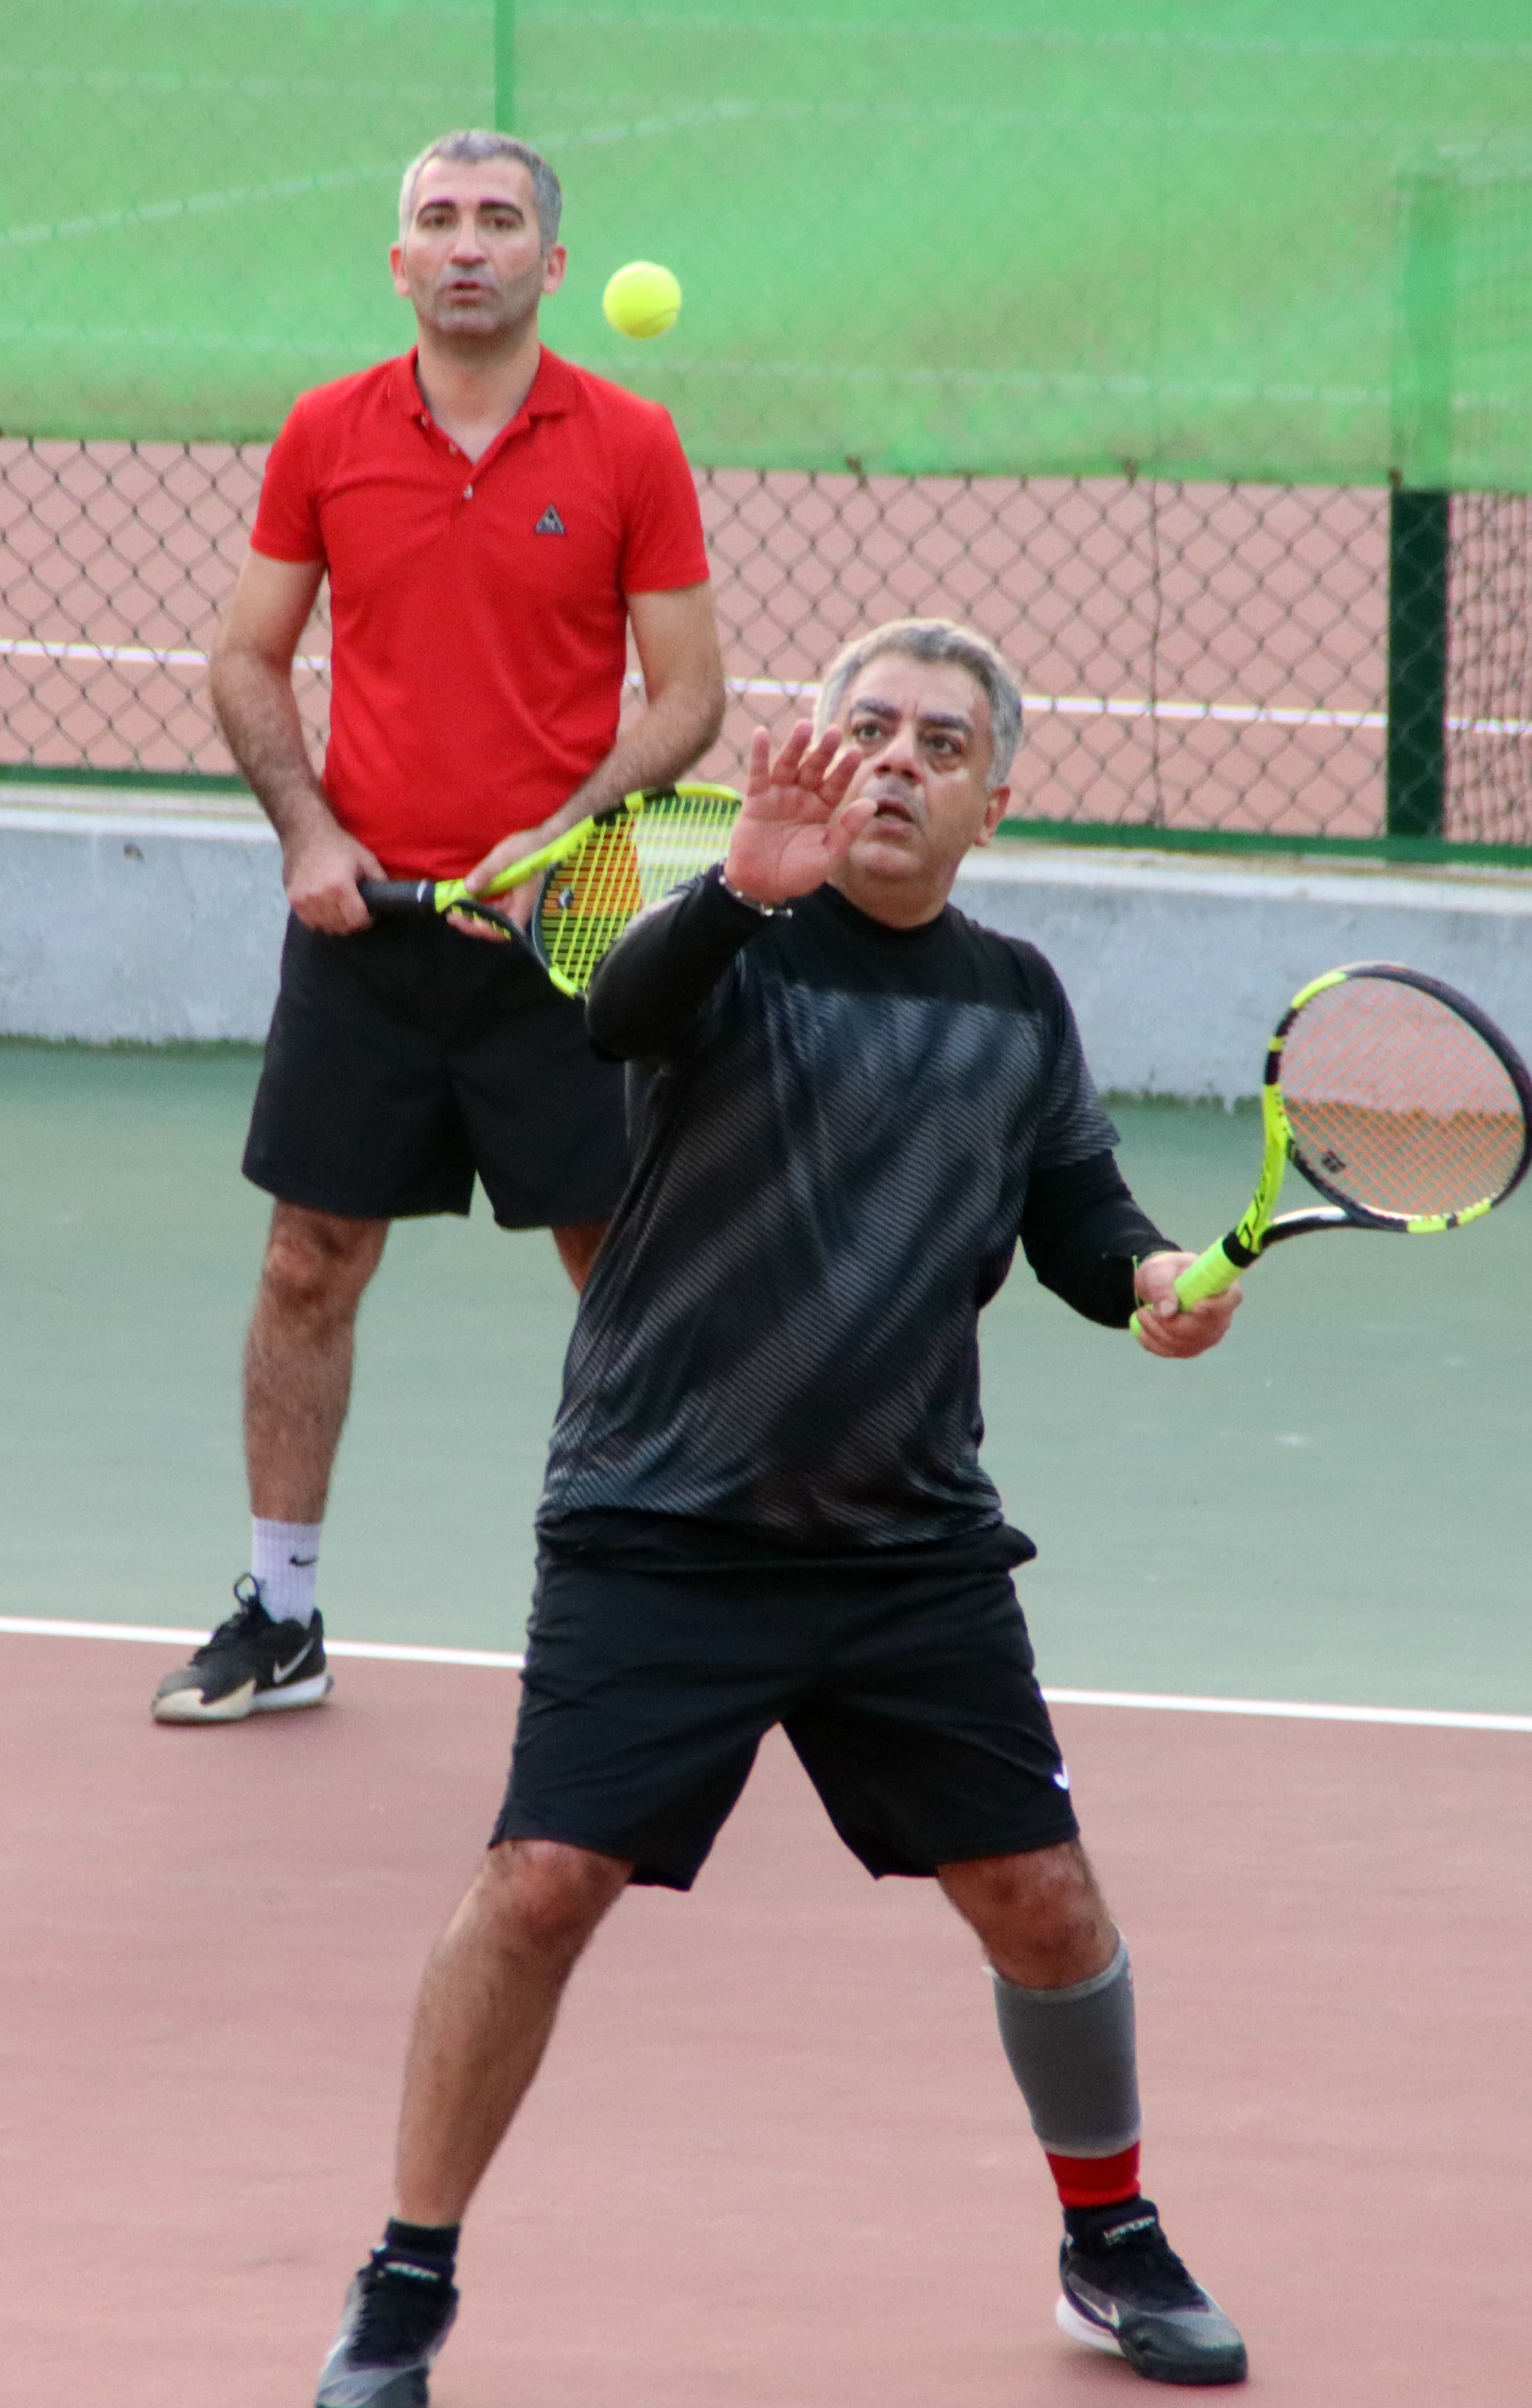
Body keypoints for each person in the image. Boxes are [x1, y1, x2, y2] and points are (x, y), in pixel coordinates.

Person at [312, 616, 1250, 2404]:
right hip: (661, 1519)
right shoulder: (726, 941)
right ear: (813, 754)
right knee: (539, 1884)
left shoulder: (1015, 1000)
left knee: (1044, 1901)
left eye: (942, 745)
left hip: (908, 1544)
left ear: (992, 805)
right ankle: (405, 2279)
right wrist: (742, 887)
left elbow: (1077, 1209)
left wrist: (1149, 1282)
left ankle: (1113, 2238)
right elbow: (619, 1015)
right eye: (869, 728)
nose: (897, 761)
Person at [150, 130, 723, 1724]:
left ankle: (678, 1609)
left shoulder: (632, 444)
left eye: (500, 221)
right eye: (440, 220)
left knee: (625, 1273)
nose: (468, 245)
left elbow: (690, 695)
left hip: (570, 928)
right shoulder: (326, 432)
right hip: (369, 928)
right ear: (399, 260)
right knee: (307, 1264)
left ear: (553, 263)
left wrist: (563, 841)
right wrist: (309, 832)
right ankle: (282, 1615)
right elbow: (247, 658)